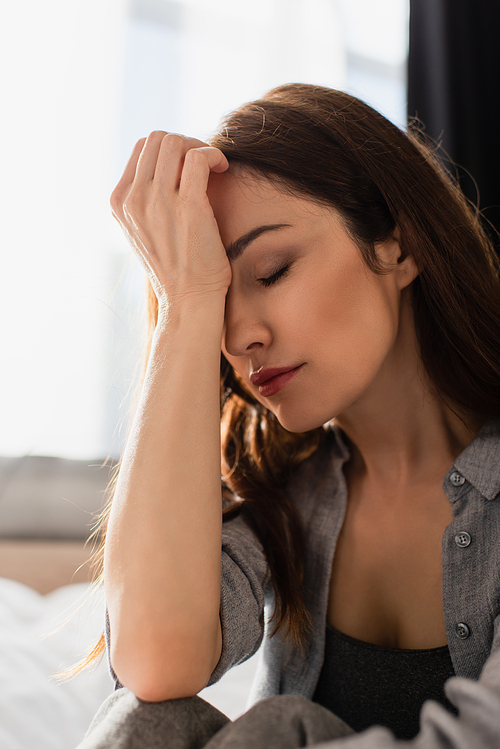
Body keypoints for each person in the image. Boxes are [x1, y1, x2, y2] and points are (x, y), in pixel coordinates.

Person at [77, 84, 500, 748]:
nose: (239, 332)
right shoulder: (288, 493)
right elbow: (155, 664)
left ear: (399, 244)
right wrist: (183, 303)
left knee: (278, 725)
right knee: (147, 718)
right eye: (220, 299)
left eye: (271, 271)